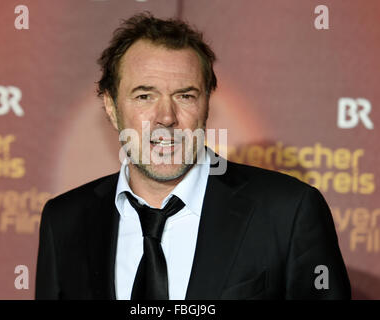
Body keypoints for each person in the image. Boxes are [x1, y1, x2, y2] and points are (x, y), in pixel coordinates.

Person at [35, 12, 351, 300]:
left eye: (185, 96)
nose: (167, 117)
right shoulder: (64, 222)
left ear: (206, 105)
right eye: (145, 96)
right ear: (110, 107)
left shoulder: (288, 213)